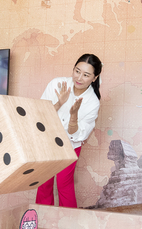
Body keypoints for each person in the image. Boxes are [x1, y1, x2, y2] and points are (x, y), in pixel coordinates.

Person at [36, 54, 102, 208]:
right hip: (47, 141)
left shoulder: (93, 102)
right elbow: (40, 115)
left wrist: (73, 116)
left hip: (70, 146)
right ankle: (43, 217)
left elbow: (78, 135)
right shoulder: (57, 84)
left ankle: (69, 220)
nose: (79, 77)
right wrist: (59, 103)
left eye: (86, 75)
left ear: (94, 78)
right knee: (44, 183)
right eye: (77, 71)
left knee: (64, 185)